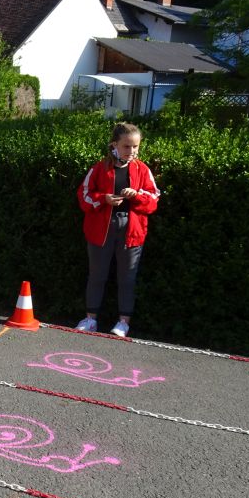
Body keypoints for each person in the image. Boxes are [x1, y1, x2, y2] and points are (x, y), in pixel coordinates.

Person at [75, 122, 160, 337]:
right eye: (126, 146)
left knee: (127, 278)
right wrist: (103, 199)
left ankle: (123, 323)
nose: (131, 151)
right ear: (114, 145)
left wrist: (137, 195)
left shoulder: (142, 169)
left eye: (135, 147)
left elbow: (153, 199)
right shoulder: (99, 168)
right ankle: (90, 319)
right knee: (97, 275)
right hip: (100, 231)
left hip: (132, 232)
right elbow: (84, 196)